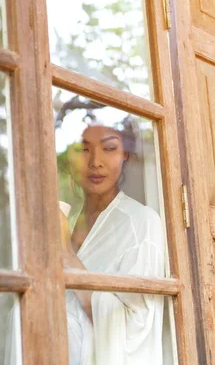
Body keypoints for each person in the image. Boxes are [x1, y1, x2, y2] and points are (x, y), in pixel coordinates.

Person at [60, 121, 166, 365]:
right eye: (84, 149)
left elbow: (137, 329)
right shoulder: (69, 221)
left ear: (125, 155)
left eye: (109, 148)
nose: (95, 161)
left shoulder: (141, 223)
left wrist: (66, 254)